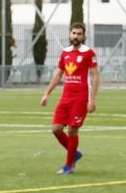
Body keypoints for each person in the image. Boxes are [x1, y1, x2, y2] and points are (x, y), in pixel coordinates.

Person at [40, 22, 99, 175]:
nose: (76, 36)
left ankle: (69, 165)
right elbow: (58, 75)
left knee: (73, 130)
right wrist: (47, 94)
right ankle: (75, 154)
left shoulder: (88, 53)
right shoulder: (65, 52)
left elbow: (95, 76)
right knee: (56, 129)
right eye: (74, 33)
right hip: (66, 96)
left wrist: (92, 99)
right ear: (69, 34)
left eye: (79, 34)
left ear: (83, 36)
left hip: (81, 97)